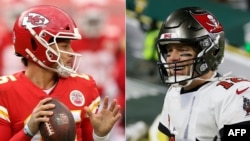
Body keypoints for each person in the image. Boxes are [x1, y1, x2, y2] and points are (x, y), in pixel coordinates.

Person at [0, 5, 121, 141]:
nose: (71, 53)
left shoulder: (84, 85)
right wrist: (28, 130)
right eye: (64, 46)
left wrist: (100, 136)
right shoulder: (5, 91)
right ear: (35, 46)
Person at [155, 7, 250, 140]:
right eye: (169, 50)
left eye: (182, 50)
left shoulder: (233, 94)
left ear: (211, 51)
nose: (172, 57)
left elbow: (241, 133)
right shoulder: (173, 93)